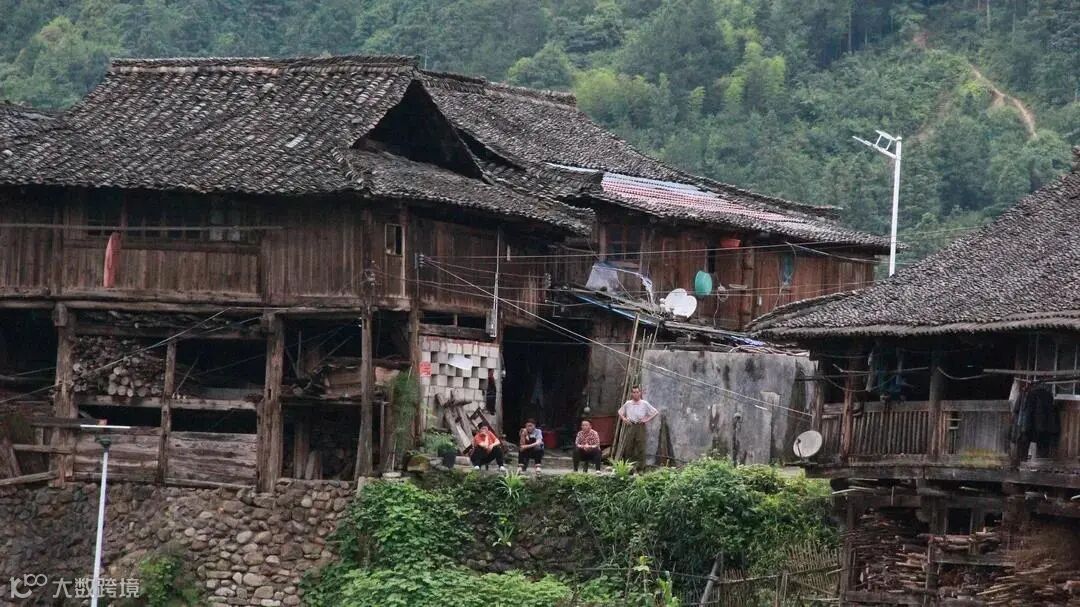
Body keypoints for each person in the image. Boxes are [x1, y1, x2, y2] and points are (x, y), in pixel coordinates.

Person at [617, 385, 658, 470]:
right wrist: (624, 419)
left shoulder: (644, 403)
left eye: (637, 392)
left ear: (640, 393)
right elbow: (620, 412)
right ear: (631, 394)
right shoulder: (628, 403)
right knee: (629, 447)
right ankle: (628, 468)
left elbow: (655, 412)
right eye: (634, 392)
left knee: (641, 447)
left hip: (640, 426)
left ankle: (641, 468)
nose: (635, 394)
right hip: (630, 426)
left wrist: (646, 419)